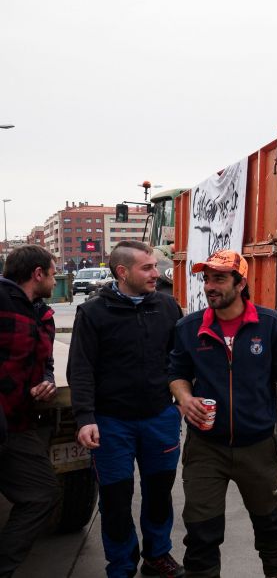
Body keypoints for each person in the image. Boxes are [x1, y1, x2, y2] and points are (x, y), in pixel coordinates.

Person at [169, 250, 277, 578]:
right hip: (205, 446)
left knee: (269, 523)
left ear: (240, 283)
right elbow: (176, 373)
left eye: (219, 278)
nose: (210, 286)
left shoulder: (270, 325)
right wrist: (184, 398)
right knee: (201, 530)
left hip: (257, 445)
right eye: (207, 279)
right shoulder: (189, 328)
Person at [68, 240, 184, 578]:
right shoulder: (93, 313)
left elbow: (180, 358)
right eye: (146, 268)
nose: (155, 273)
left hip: (159, 418)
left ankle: (157, 555)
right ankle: (121, 564)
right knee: (116, 500)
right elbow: (81, 368)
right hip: (111, 423)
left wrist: (180, 403)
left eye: (154, 266)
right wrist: (85, 417)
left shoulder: (166, 307)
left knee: (159, 494)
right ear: (123, 272)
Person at [0, 245, 61, 577]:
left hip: (18, 424)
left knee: (42, 494)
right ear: (38, 273)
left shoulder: (42, 314)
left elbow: (46, 363)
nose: (55, 279)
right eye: (53, 273)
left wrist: (47, 381)